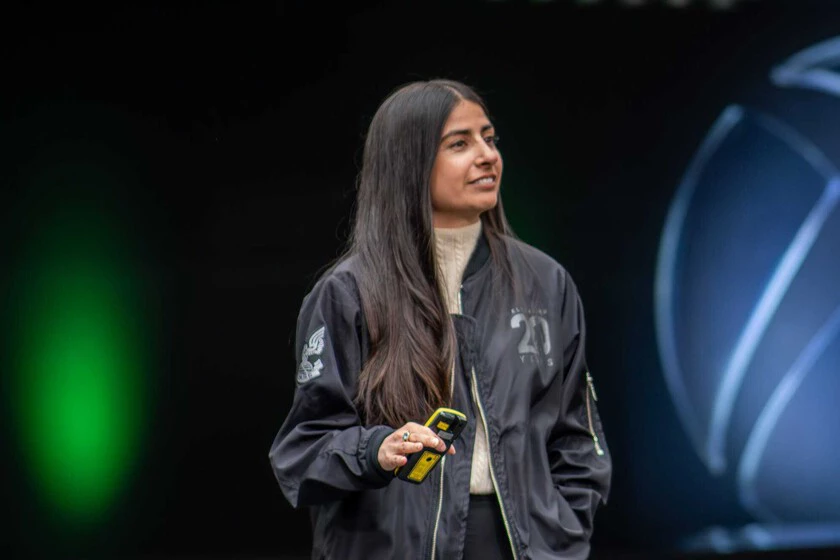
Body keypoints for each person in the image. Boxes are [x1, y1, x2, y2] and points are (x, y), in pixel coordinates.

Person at [268, 79, 611, 559]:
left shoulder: (546, 283)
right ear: (409, 162)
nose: (487, 156)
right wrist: (376, 450)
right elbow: (302, 452)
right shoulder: (348, 293)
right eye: (460, 144)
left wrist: (564, 536)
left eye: (489, 138)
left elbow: (578, 440)